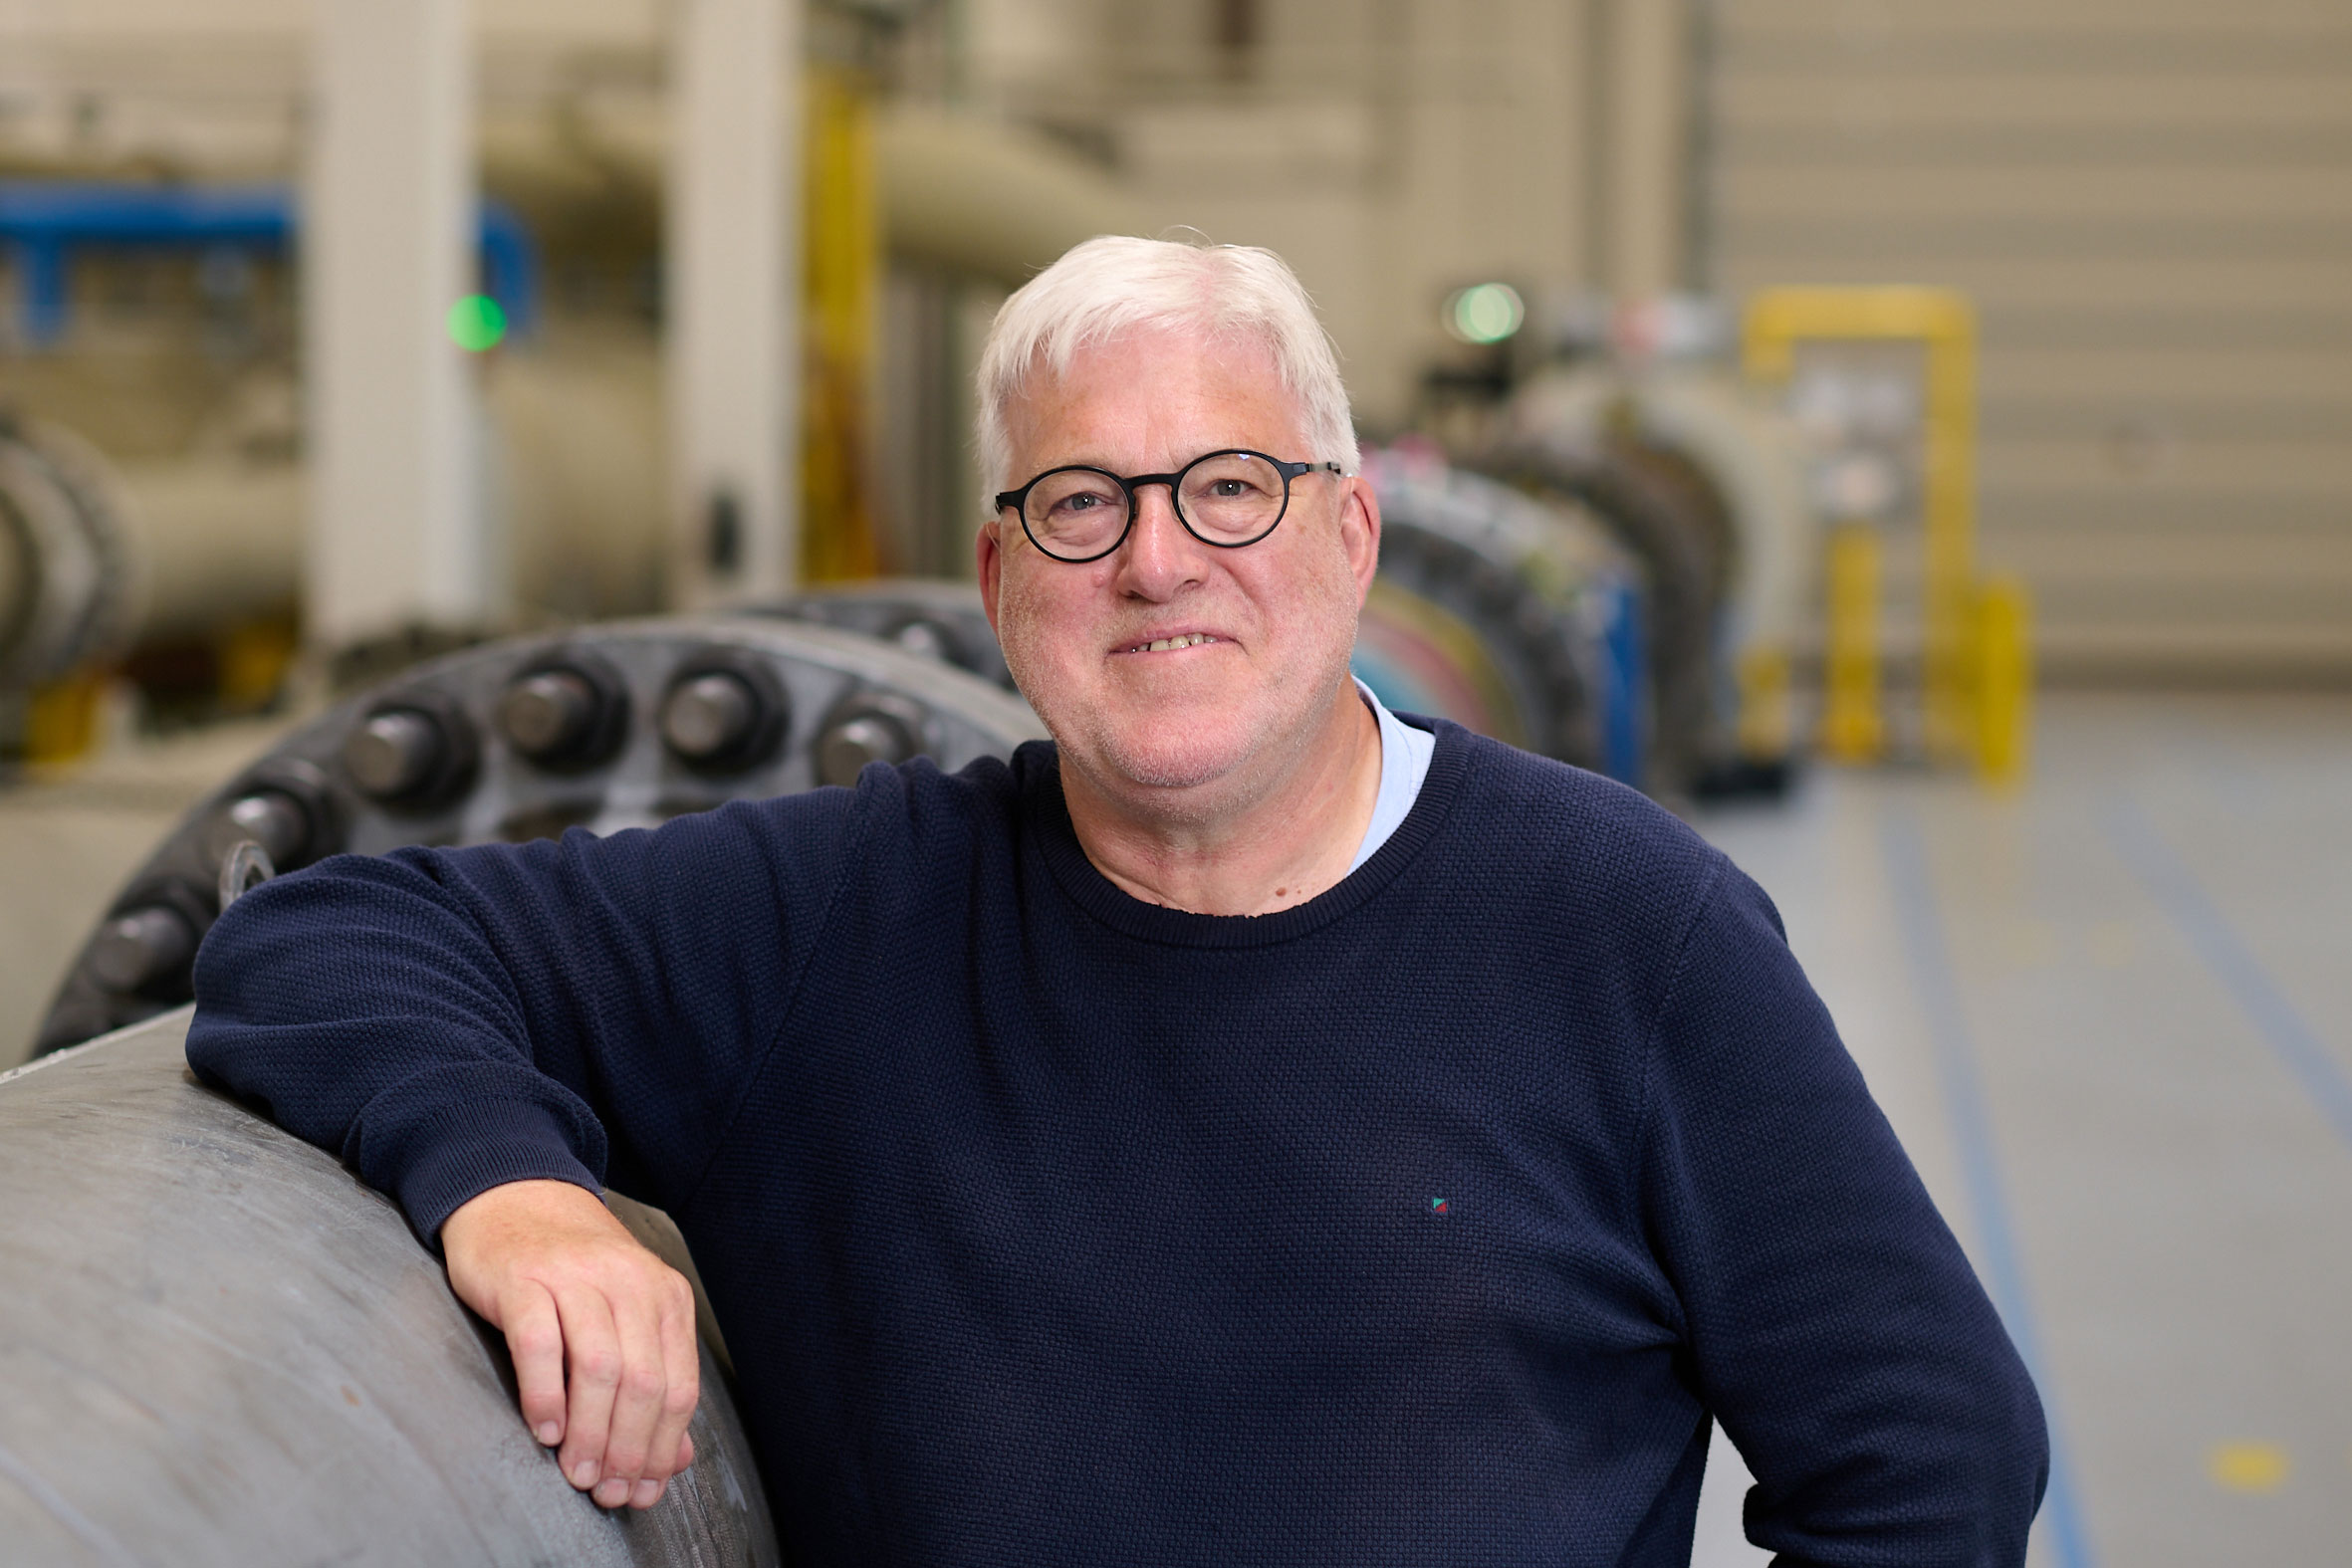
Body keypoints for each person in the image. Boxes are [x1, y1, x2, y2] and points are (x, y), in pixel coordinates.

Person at [189, 235, 2046, 1563]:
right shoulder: (846, 918)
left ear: (1349, 535)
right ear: (1001, 584)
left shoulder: (1624, 934)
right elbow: (323, 935)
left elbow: (1930, 1460)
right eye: (1082, 506)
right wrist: (513, 1190)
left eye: (1229, 487)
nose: (1159, 563)